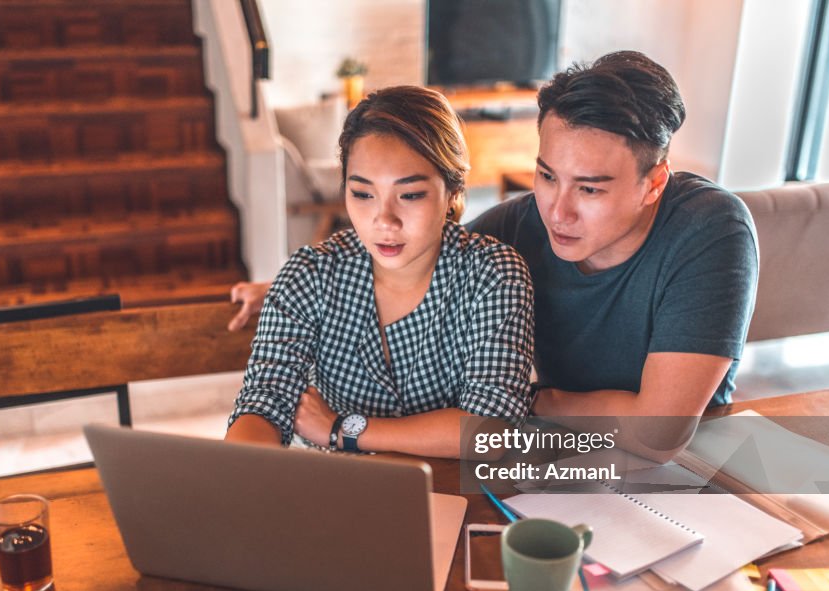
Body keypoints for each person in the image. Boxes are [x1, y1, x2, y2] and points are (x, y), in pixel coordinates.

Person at [229, 52, 758, 434]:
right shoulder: (518, 228)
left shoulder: (709, 228)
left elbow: (660, 431)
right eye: (547, 175)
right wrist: (284, 290)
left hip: (686, 470)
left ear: (654, 183)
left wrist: (531, 400)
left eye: (590, 188)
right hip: (559, 453)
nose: (558, 210)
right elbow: (417, 247)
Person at [225, 86, 535, 458]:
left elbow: (492, 431)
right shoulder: (309, 275)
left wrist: (343, 429)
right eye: (362, 194)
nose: (383, 220)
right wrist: (240, 475)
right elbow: (264, 401)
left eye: (410, 195)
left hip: (455, 496)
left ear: (453, 190)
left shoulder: (493, 275)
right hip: (340, 492)